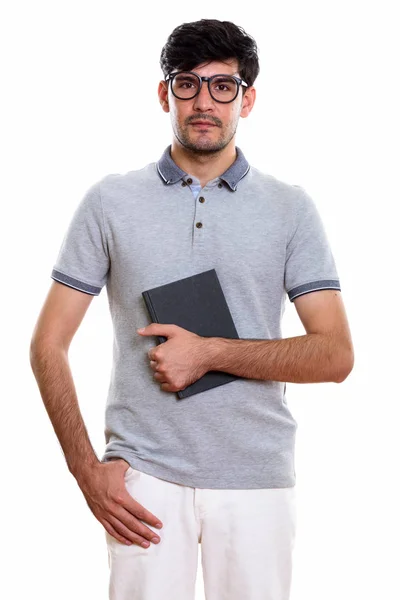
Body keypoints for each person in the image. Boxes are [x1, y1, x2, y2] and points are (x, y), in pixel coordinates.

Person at [29, 18, 354, 600]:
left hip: (256, 478)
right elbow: (47, 344)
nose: (204, 101)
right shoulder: (110, 201)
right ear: (164, 94)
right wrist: (86, 470)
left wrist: (209, 353)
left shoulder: (291, 209)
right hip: (142, 478)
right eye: (187, 84)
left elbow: (334, 354)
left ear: (246, 100)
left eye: (222, 86)